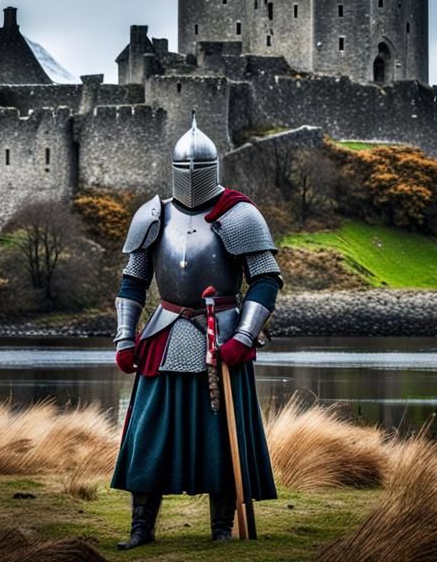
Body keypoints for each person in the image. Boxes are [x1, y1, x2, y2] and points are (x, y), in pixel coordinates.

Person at [110, 115, 281, 549]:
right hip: (164, 336)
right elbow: (133, 281)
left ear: (213, 168)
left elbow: (265, 279)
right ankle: (140, 529)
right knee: (150, 433)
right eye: (183, 169)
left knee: (221, 438)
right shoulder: (153, 215)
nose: (190, 178)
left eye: (197, 169)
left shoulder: (240, 216)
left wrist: (242, 337)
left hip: (220, 337)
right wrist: (126, 338)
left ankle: (222, 529)